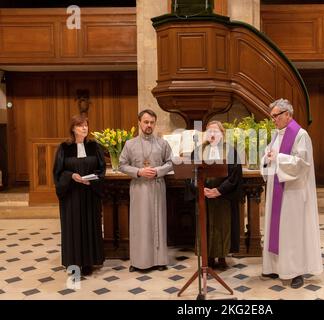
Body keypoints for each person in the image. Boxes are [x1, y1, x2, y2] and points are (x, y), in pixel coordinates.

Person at [260, 98, 323, 289]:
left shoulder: (300, 135)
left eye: (276, 116)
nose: (273, 120)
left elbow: (302, 163)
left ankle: (296, 272)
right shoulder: (276, 134)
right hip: (277, 188)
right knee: (278, 229)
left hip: (293, 192)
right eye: (272, 116)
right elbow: (268, 155)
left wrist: (277, 158)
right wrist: (267, 157)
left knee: (292, 231)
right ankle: (277, 266)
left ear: (288, 115)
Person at [119, 109, 173, 272]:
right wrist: (138, 172)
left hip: (157, 187)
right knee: (140, 224)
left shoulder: (162, 143)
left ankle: (159, 260)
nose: (149, 125)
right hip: (139, 187)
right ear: (139, 122)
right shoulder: (130, 144)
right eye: (146, 122)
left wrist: (157, 171)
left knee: (157, 222)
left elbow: (171, 163)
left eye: (152, 122)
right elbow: (122, 164)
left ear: (155, 124)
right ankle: (137, 261)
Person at [53, 114, 106, 276]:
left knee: (90, 225)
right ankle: (74, 262)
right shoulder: (64, 147)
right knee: (73, 226)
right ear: (73, 129)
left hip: (90, 193)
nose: (84, 128)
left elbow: (101, 168)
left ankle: (89, 262)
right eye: (80, 125)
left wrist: (93, 179)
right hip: (72, 195)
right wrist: (71, 176)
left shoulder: (94, 146)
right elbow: (58, 172)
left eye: (86, 125)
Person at [186, 121, 243, 270]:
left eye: (216, 131)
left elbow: (234, 176)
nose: (212, 134)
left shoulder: (230, 151)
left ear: (222, 135)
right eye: (209, 131)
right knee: (205, 226)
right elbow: (191, 174)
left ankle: (222, 257)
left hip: (223, 198)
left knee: (222, 227)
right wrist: (200, 189)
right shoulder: (198, 151)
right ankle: (208, 258)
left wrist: (219, 190)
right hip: (203, 196)